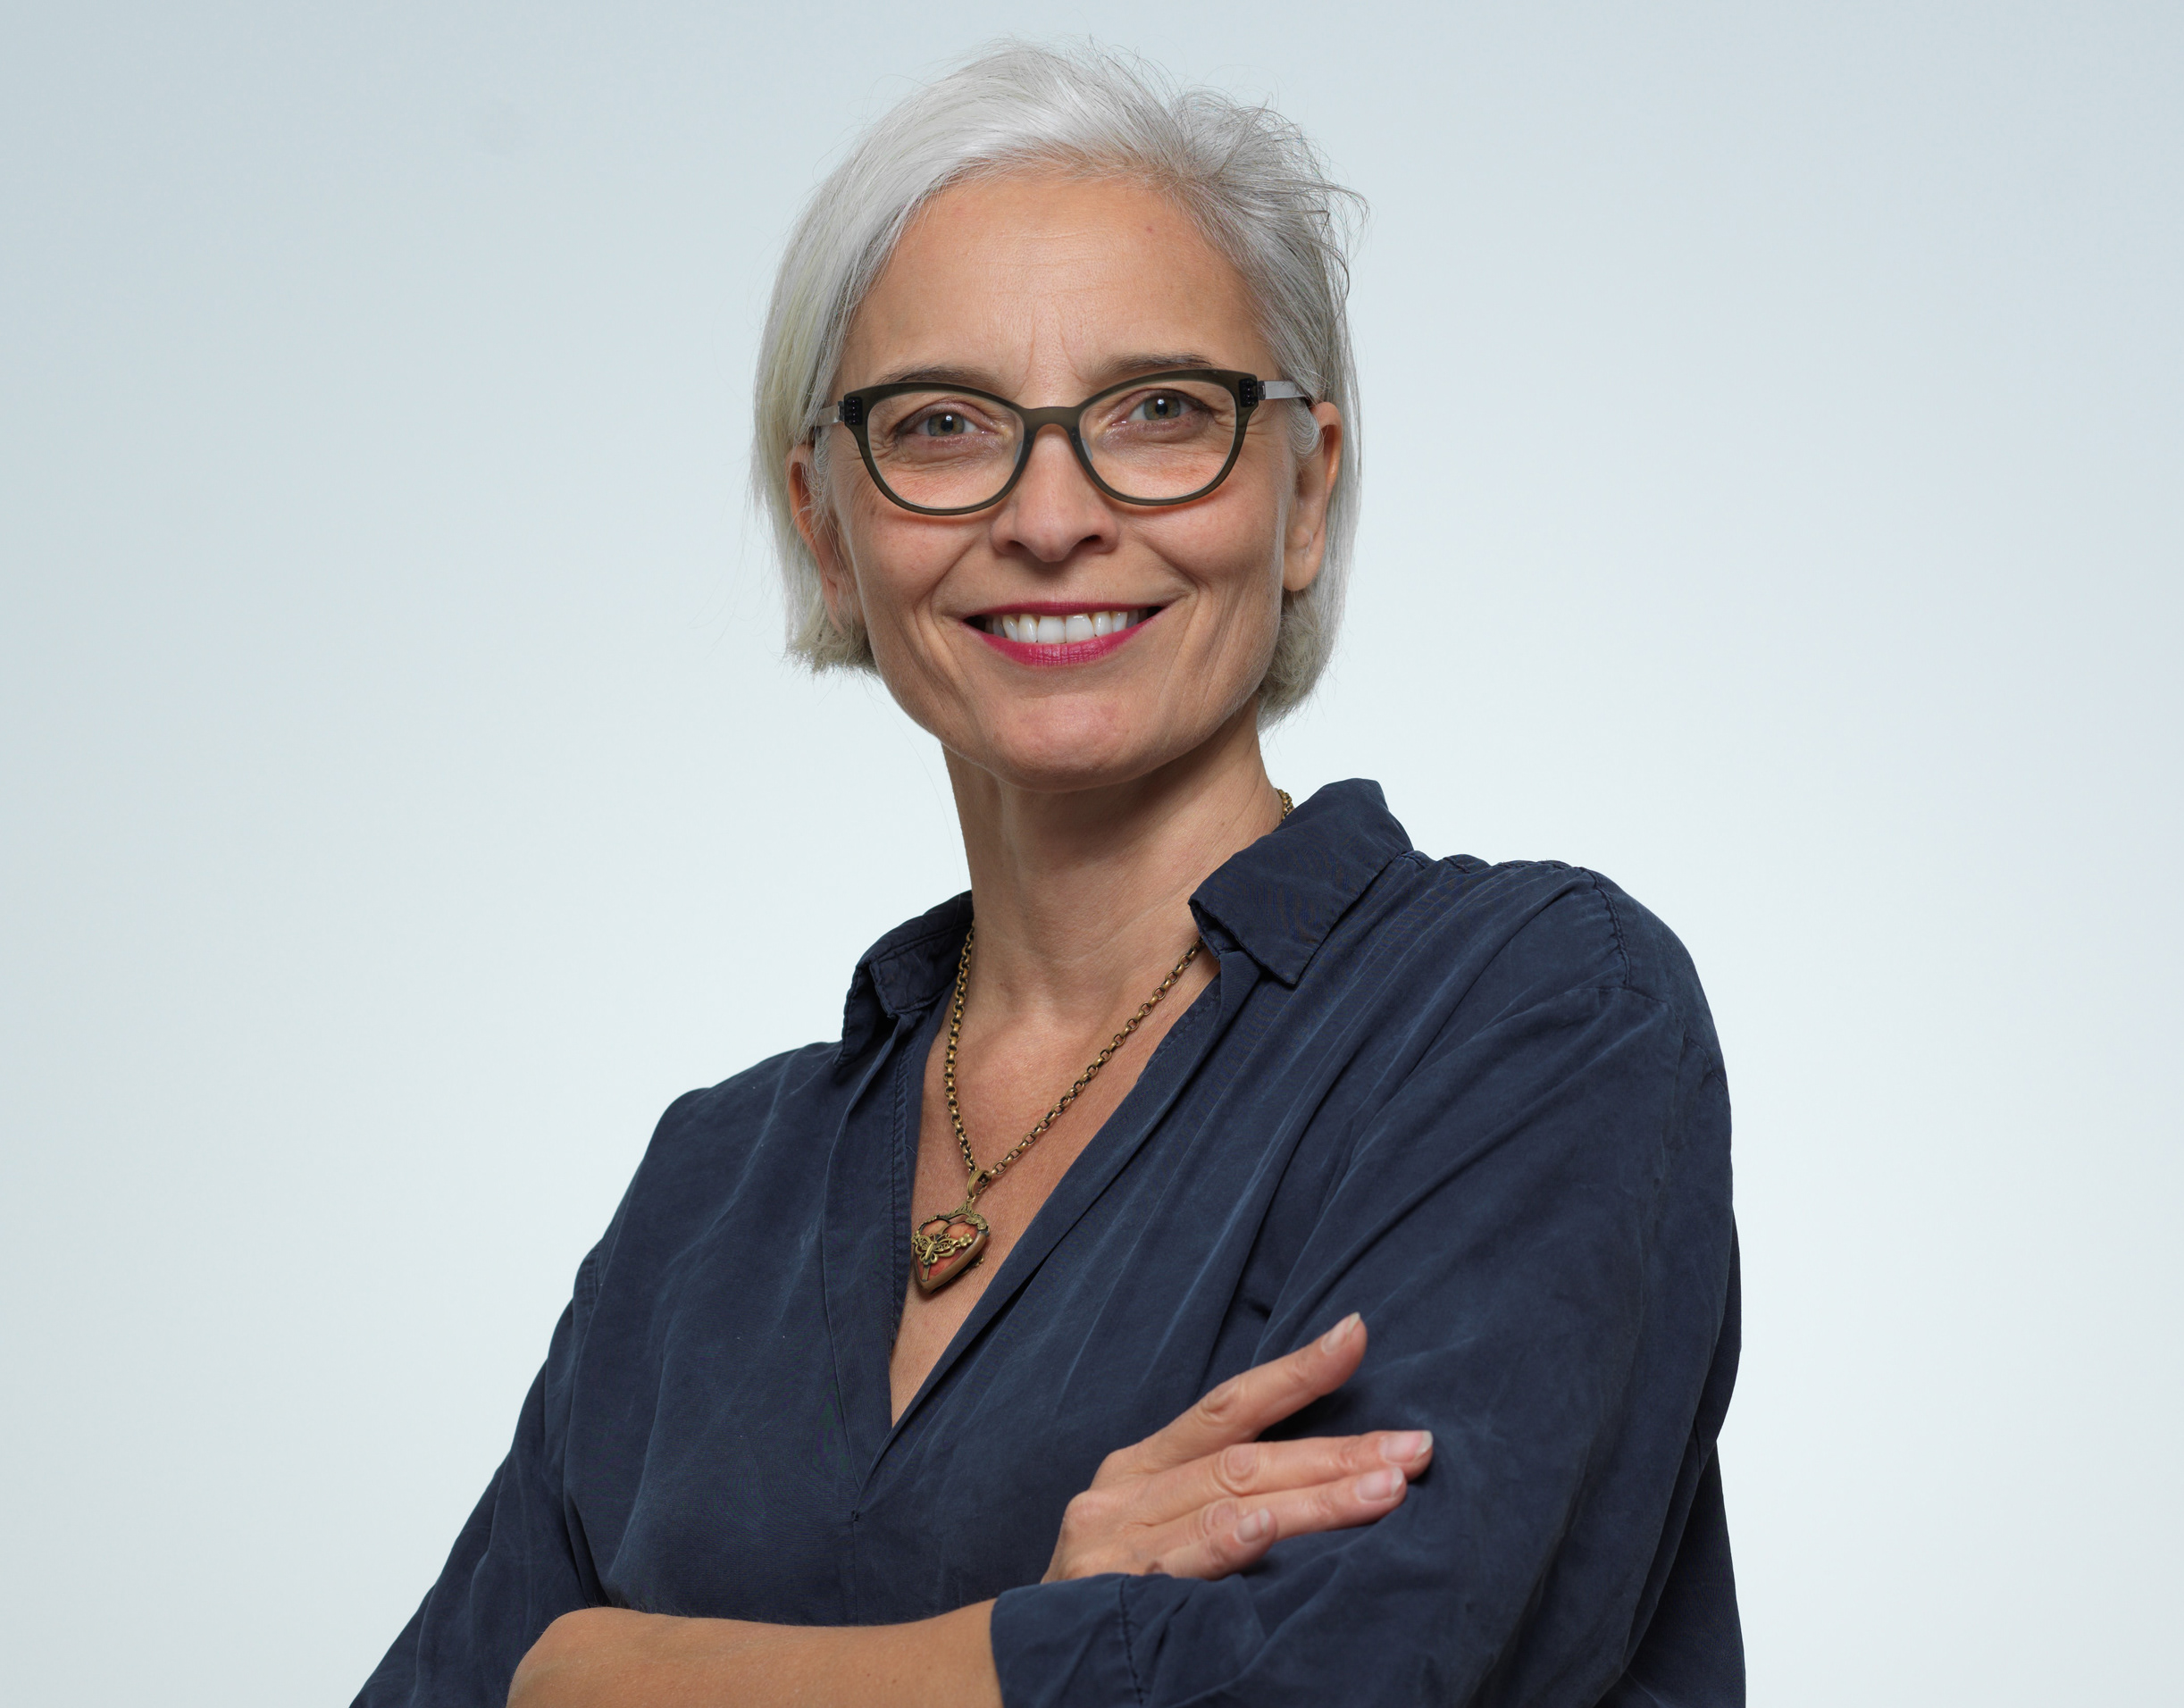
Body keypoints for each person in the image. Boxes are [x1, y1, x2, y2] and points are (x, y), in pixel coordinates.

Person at [356, 41, 1741, 1708]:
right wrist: (1061, 1640)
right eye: (942, 426)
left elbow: (1350, 1680)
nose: (1050, 514)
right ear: (827, 526)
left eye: (1161, 411)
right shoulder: (711, 1190)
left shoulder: (1531, 1011)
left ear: (1305, 489)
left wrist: (593, 1672)